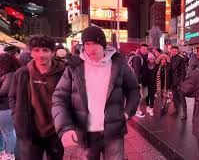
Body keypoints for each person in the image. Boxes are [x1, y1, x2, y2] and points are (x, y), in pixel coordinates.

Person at [52, 26, 140, 160]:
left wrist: (127, 113)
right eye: (87, 44)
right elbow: (59, 98)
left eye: (95, 43)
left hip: (113, 132)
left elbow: (133, 90)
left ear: (103, 44)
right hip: (84, 133)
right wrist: (65, 127)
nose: (91, 49)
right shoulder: (74, 67)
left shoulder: (118, 64)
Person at [9, 35, 65, 160]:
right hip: (30, 130)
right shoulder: (22, 73)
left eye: (45, 50)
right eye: (36, 50)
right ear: (31, 52)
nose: (41, 54)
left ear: (52, 52)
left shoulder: (63, 72)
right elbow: (12, 97)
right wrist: (17, 117)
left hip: (56, 131)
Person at [0, 54, 21, 160]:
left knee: (8, 132)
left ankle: (9, 154)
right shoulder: (7, 74)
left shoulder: (10, 75)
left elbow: (4, 91)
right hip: (4, 107)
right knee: (4, 131)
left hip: (6, 107)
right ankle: (3, 151)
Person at [131, 44, 149, 117]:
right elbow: (136, 72)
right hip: (138, 81)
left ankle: (134, 109)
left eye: (146, 49)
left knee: (144, 94)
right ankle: (136, 111)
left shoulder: (143, 57)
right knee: (139, 96)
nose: (145, 51)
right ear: (140, 49)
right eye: (143, 49)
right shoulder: (137, 58)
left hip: (142, 80)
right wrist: (138, 83)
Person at [170, 46, 187, 120]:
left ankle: (184, 113)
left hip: (179, 80)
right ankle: (176, 109)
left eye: (175, 51)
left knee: (182, 96)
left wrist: (182, 81)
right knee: (175, 96)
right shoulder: (170, 58)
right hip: (172, 81)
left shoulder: (181, 58)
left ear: (178, 51)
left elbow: (183, 71)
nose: (173, 52)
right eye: (172, 51)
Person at [146, 52, 158, 117]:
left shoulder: (156, 66)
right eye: (150, 59)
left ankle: (151, 109)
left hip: (153, 83)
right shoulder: (145, 65)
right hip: (146, 83)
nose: (151, 60)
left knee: (152, 96)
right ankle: (147, 106)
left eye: (153, 59)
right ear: (148, 59)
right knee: (146, 96)